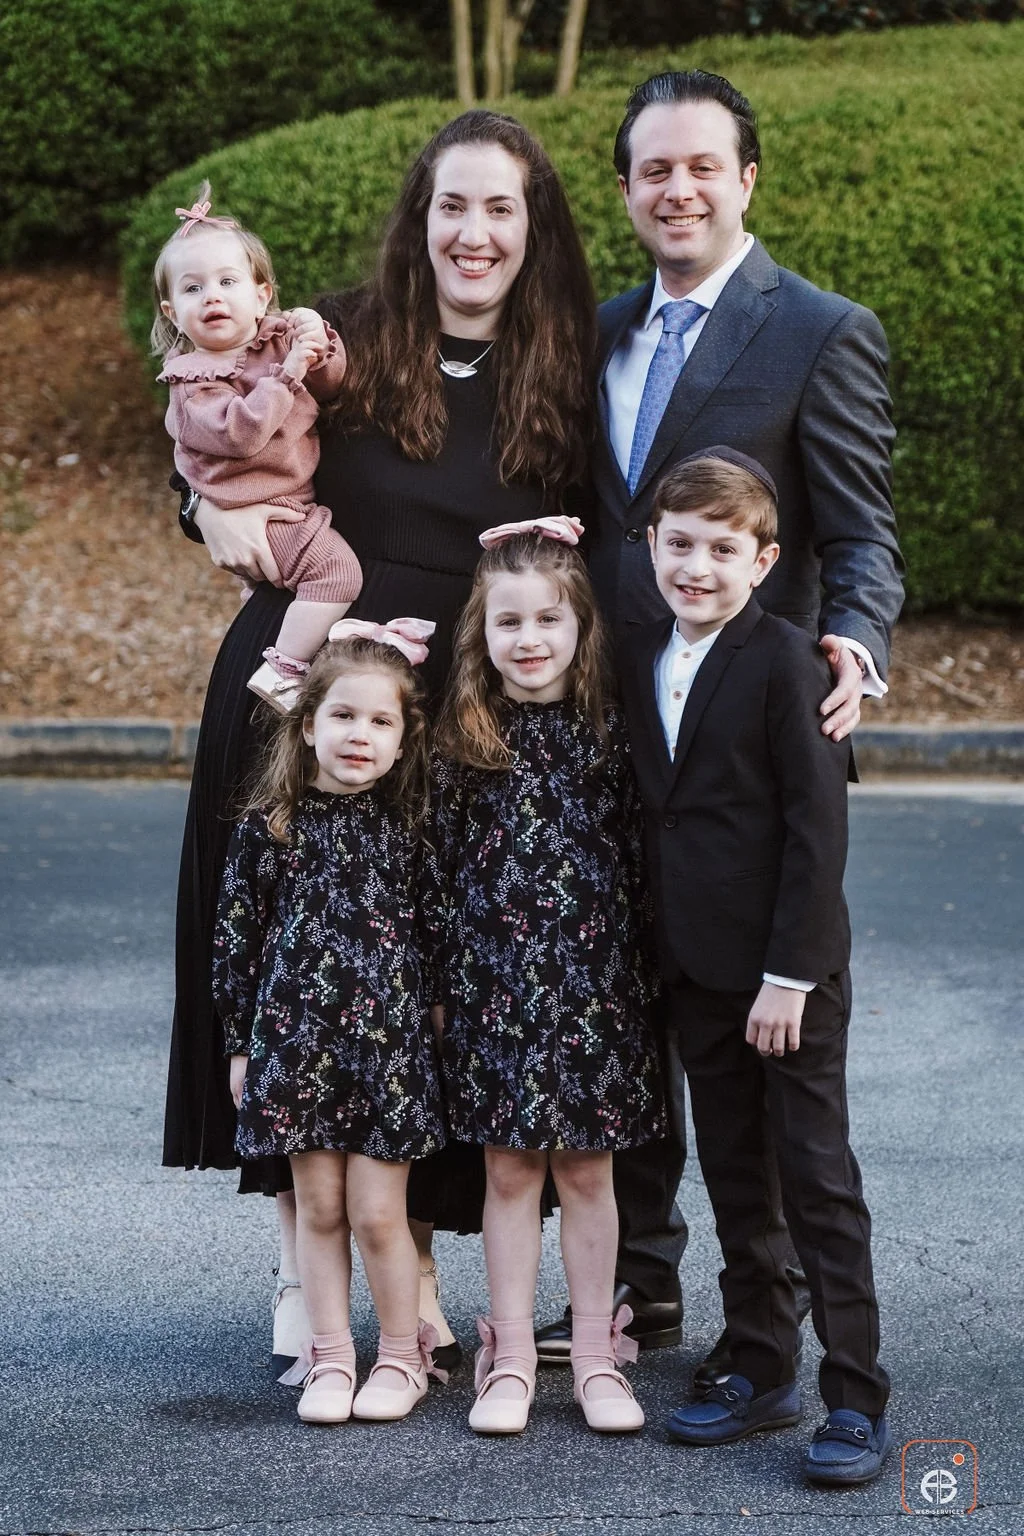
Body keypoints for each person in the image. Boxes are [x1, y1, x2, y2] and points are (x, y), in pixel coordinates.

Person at [163, 110, 597, 1373]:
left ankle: (410, 1269)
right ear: (420, 216)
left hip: (462, 701)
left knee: (421, 985)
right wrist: (197, 507)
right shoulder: (338, 334)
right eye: (451, 204)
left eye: (501, 207)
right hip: (310, 688)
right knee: (294, 974)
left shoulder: (568, 362)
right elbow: (211, 420)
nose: (473, 231)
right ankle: (299, 1274)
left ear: (534, 226)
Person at [536, 67, 904, 1374]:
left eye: (703, 166)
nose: (678, 189)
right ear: (626, 189)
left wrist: (853, 642)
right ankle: (642, 1286)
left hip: (748, 745)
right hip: (608, 736)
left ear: (746, 179)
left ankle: (776, 1319)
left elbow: (859, 531)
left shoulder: (819, 330)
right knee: (632, 1014)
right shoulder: (594, 333)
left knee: (761, 1067)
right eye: (655, 170)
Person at [624, 448, 891, 1485]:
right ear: (651, 544)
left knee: (815, 1180)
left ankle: (855, 1395)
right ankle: (761, 1360)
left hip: (788, 976)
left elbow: (816, 834)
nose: (697, 567)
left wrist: (790, 975)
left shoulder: (789, 665)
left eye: (721, 551)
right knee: (735, 1172)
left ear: (764, 561)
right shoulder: (638, 652)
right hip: (696, 968)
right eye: (679, 544)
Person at [422, 519, 665, 1435]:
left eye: (548, 619)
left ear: (581, 626)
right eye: (508, 621)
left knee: (590, 1172)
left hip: (599, 989)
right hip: (493, 990)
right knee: (511, 1169)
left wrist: (650, 983)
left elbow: (642, 865)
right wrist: (439, 991)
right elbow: (435, 874)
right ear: (480, 633)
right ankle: (513, 1354)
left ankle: (598, 1355)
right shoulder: (462, 741)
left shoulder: (615, 732)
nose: (529, 639)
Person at [213, 623, 448, 1425]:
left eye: (381, 721)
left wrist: (438, 1037)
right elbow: (236, 943)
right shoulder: (269, 827)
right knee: (318, 1210)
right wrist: (240, 1046)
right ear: (308, 723)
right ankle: (331, 1358)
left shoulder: (411, 829)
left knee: (379, 1215)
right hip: (296, 1049)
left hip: (387, 1056)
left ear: (403, 738)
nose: (360, 735)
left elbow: (436, 940)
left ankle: (401, 1357)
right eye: (343, 716)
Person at [153, 183, 362, 713]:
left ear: (262, 293)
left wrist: (317, 342)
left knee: (283, 592)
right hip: (257, 509)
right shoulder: (192, 384)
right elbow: (241, 435)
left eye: (227, 281)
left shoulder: (275, 340)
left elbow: (332, 386)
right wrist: (287, 375)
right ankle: (285, 670)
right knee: (338, 574)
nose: (213, 296)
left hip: (289, 501)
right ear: (172, 312)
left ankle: (274, 635)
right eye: (193, 289)